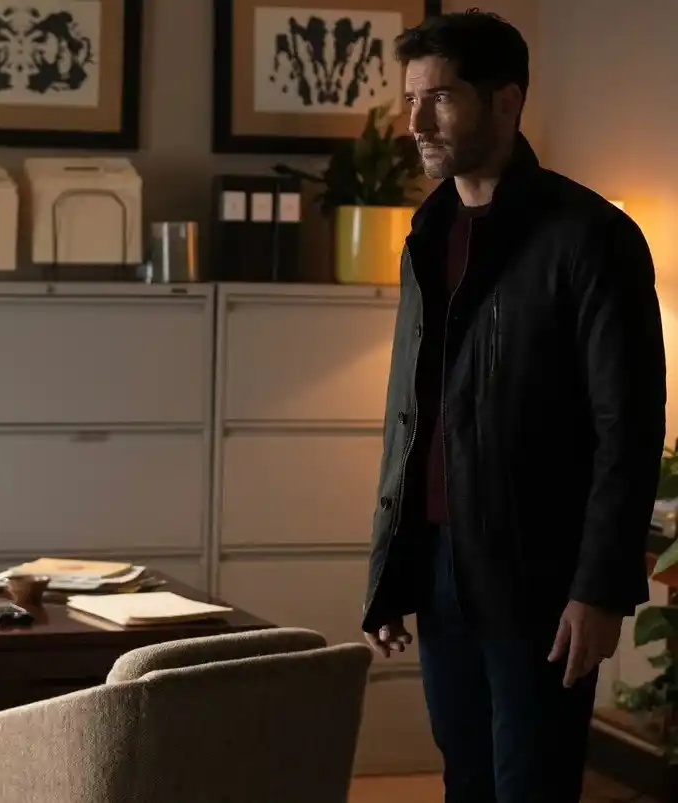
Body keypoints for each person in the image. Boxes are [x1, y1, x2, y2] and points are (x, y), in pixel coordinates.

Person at [361, 10, 666, 803]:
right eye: (411, 99)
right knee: (464, 780)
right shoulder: (428, 231)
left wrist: (599, 588)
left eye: (441, 98)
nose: (417, 123)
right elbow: (413, 413)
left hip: (539, 575)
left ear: (506, 101)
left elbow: (628, 427)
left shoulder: (590, 236)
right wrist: (391, 570)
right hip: (439, 564)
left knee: (531, 785)